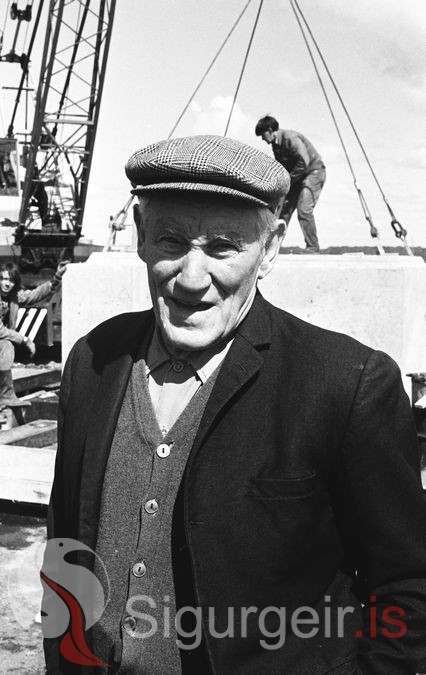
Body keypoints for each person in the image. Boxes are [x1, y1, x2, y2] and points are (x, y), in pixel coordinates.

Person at [43, 135, 426, 674]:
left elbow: (408, 587)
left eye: (222, 247)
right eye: (171, 240)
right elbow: (65, 547)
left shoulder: (346, 384)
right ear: (140, 235)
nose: (191, 279)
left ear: (270, 249)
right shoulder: (93, 361)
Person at [0, 261, 68, 407]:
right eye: (4, 279)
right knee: (5, 346)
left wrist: (56, 278)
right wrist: (25, 340)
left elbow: (33, 296)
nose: (7, 284)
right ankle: (7, 396)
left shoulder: (12, 295)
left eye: (11, 280)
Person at [255, 114, 326, 253]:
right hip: (297, 177)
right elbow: (282, 168)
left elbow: (303, 162)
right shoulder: (276, 145)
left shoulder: (290, 138)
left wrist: (288, 181)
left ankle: (313, 247)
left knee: (304, 209)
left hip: (313, 172)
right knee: (284, 210)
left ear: (270, 130)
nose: (263, 139)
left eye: (263, 135)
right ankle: (271, 248)